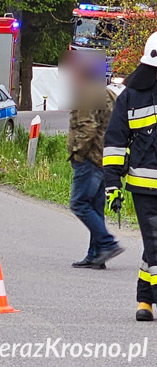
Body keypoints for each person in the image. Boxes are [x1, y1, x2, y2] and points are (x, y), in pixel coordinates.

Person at [104, 33, 157, 320]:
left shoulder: (129, 94)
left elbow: (114, 141)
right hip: (145, 187)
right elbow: (115, 141)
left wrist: (112, 183)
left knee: (153, 245)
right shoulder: (131, 96)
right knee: (156, 243)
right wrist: (112, 184)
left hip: (140, 187)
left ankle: (144, 301)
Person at [67, 57, 119, 269]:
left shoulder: (87, 94)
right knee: (96, 208)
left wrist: (77, 153)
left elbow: (87, 128)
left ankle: (107, 243)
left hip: (90, 158)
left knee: (79, 203)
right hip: (104, 158)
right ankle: (96, 254)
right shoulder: (108, 94)